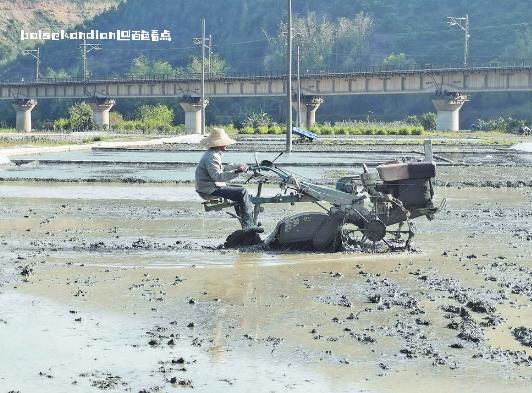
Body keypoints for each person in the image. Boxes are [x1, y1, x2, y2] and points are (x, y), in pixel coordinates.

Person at [195, 128, 263, 232]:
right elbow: (218, 176)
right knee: (242, 192)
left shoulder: (214, 153)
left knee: (239, 193)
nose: (227, 145)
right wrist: (238, 171)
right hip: (208, 189)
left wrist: (239, 165)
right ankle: (249, 225)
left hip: (211, 186)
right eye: (225, 143)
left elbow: (223, 169)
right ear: (219, 144)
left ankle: (246, 227)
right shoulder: (211, 157)